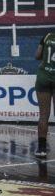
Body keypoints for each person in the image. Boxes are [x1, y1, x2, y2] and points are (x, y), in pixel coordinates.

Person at [35, 31, 54, 159]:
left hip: (43, 77)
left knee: (43, 115)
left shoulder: (47, 35)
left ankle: (41, 149)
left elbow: (37, 56)